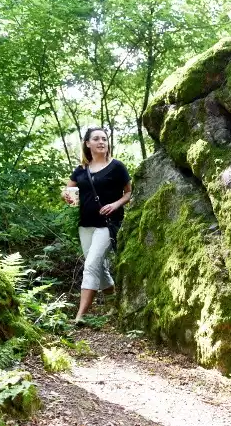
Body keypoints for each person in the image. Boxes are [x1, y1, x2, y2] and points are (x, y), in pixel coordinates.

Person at [62, 127, 132, 324]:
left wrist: (116, 204)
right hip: (85, 225)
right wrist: (66, 195)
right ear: (88, 143)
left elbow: (129, 192)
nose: (101, 142)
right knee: (98, 266)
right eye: (96, 139)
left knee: (91, 264)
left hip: (107, 225)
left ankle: (80, 316)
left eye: (104, 138)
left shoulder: (117, 166)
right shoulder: (81, 169)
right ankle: (112, 303)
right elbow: (68, 190)